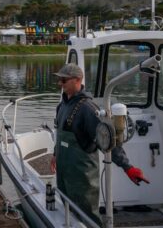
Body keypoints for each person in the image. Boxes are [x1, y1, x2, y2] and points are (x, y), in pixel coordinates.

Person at [49, 63, 149, 225]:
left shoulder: (88, 109)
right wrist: (55, 154)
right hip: (64, 172)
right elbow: (60, 133)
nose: (60, 83)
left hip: (82, 177)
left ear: (77, 80)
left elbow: (108, 141)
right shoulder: (62, 105)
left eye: (64, 80)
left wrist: (128, 167)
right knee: (68, 206)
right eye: (59, 80)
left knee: (87, 213)